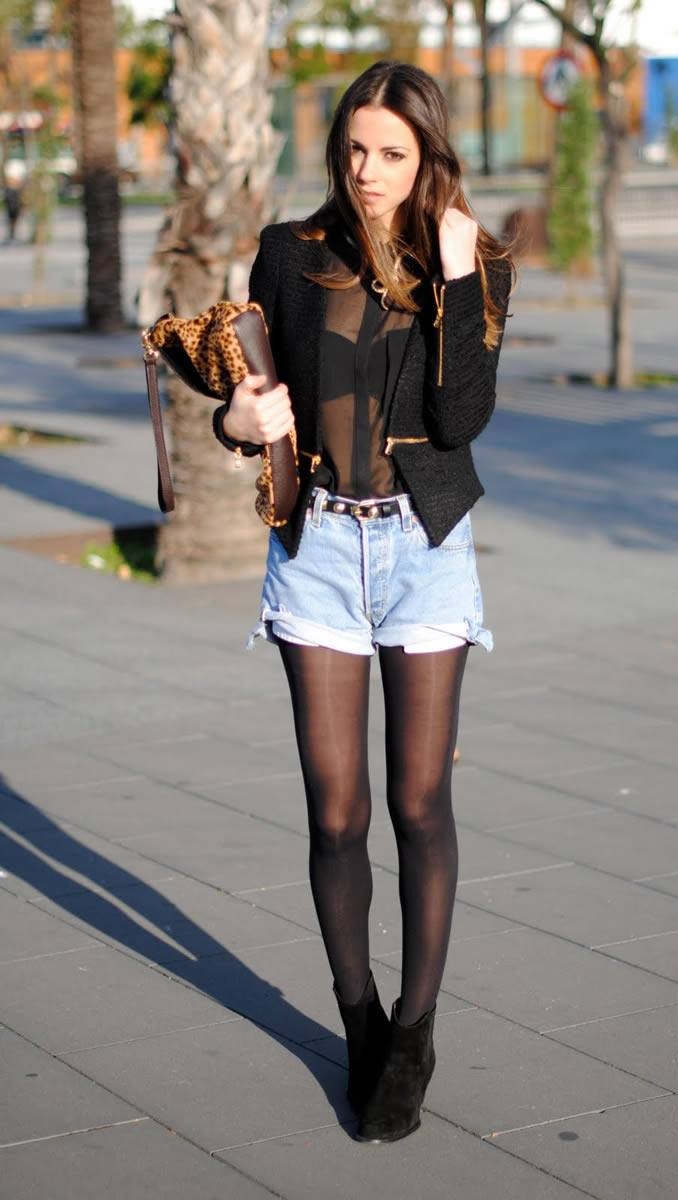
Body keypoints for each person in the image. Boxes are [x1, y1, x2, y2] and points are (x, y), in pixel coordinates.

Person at [213, 59, 513, 1143]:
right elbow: (251, 396)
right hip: (319, 552)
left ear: (428, 156)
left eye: (392, 153)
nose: (368, 170)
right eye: (354, 149)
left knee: (418, 804)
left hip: (424, 546)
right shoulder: (290, 253)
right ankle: (360, 1021)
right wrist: (235, 425)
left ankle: (416, 1033)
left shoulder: (475, 263)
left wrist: (458, 275)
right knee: (334, 813)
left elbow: (459, 416)